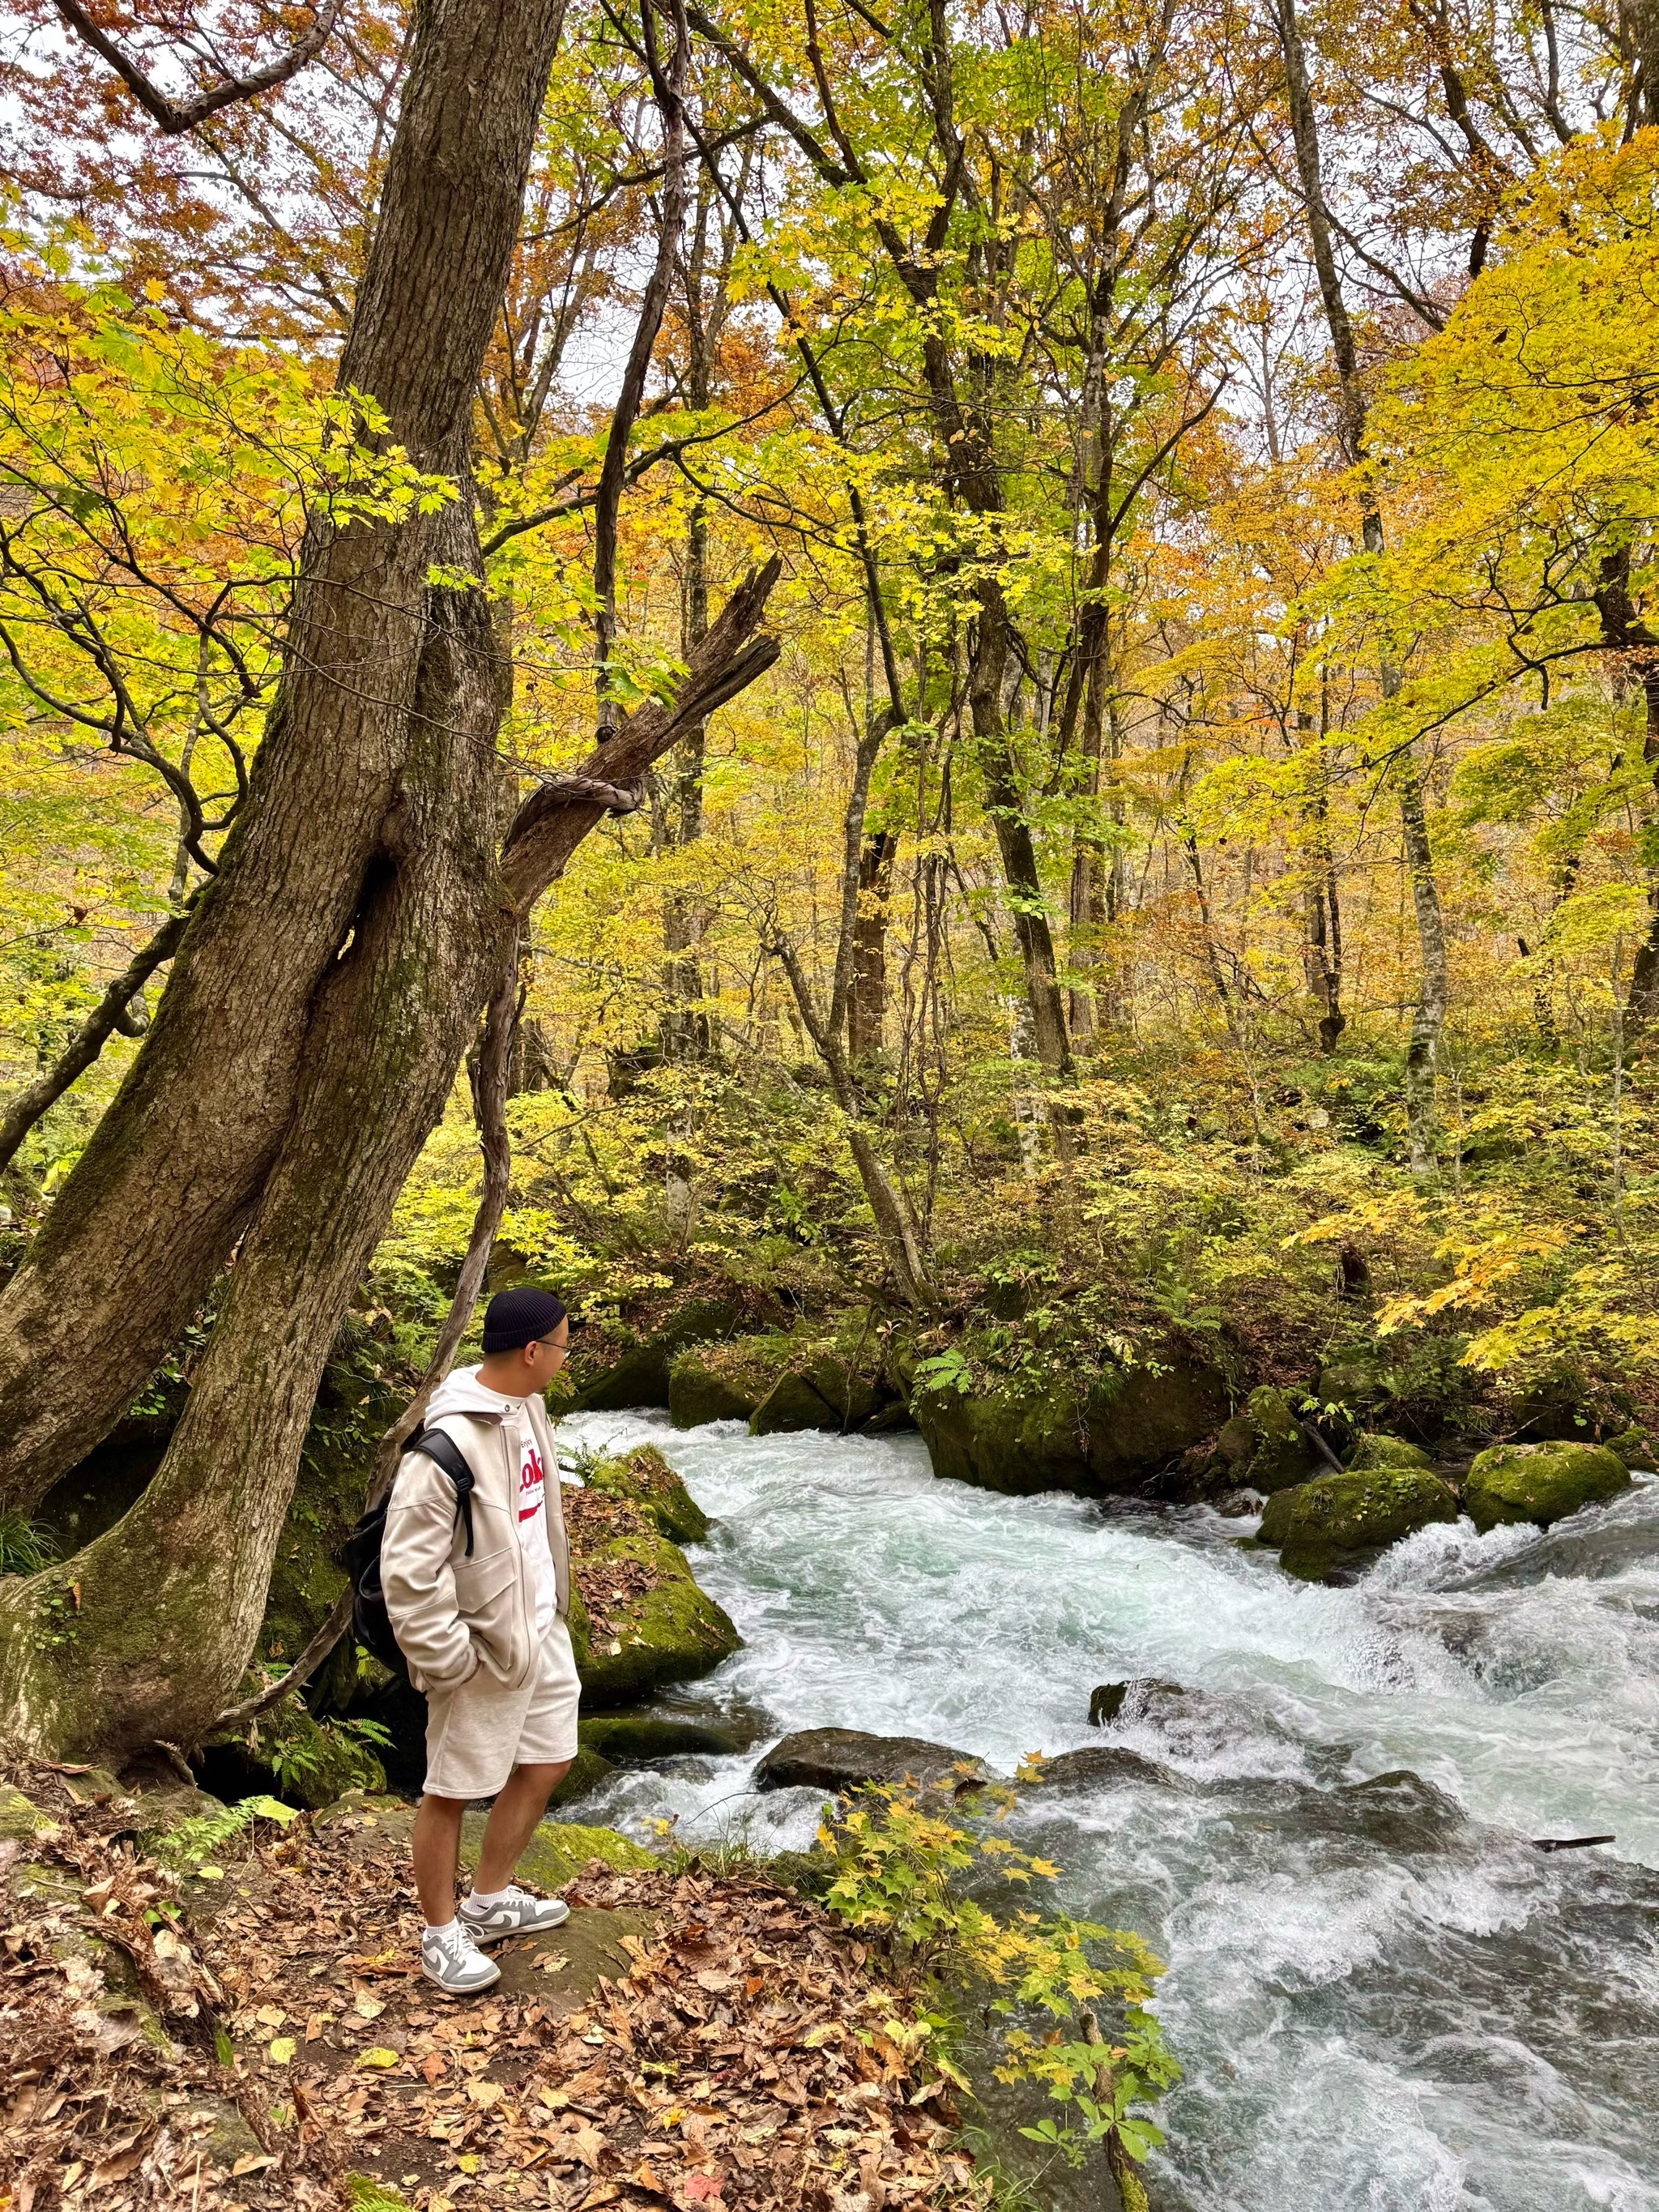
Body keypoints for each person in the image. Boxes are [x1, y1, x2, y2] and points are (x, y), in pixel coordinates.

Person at [381, 1284, 581, 1995]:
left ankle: (489, 1902)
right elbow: (407, 1575)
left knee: (549, 1761)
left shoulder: (527, 1407)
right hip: (481, 1650)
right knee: (451, 1791)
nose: (564, 1355)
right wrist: (450, 1662)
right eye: (561, 1345)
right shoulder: (443, 1449)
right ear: (532, 1351)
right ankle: (440, 1935)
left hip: (539, 1632)